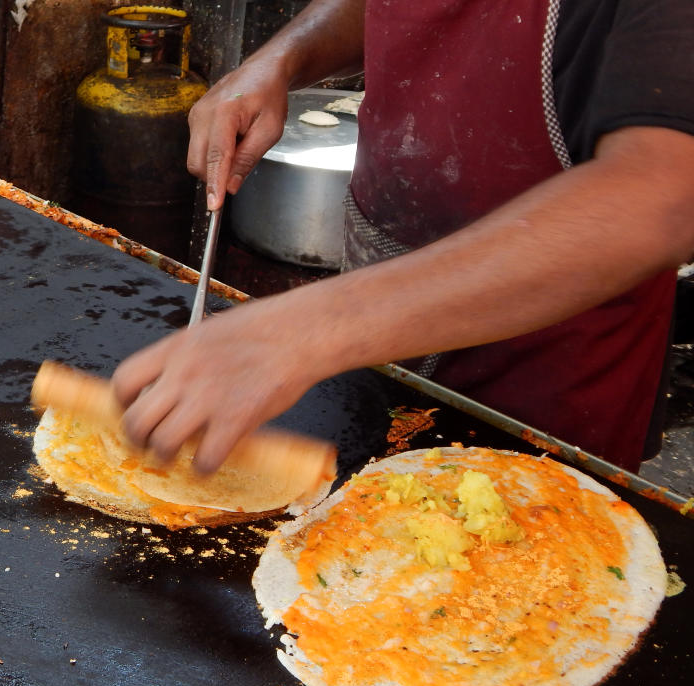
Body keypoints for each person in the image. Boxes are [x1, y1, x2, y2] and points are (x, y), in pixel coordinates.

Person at [110, 0, 694, 473]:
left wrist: (310, 326)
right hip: (374, 328)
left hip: (546, 371)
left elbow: (665, 197)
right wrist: (284, 57)